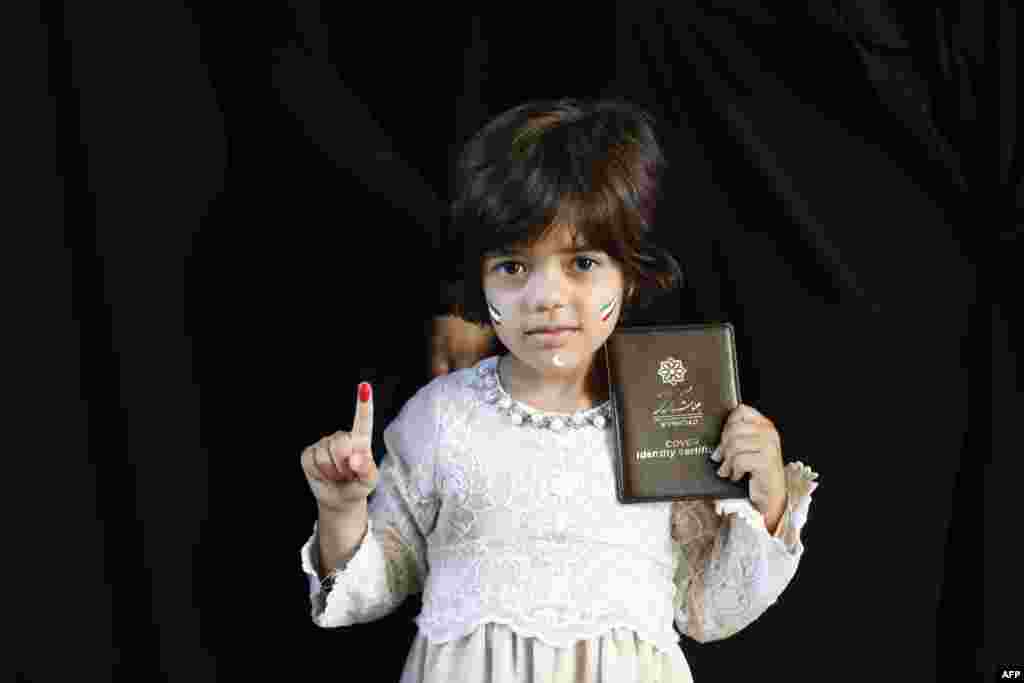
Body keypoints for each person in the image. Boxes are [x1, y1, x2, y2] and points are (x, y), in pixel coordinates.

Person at [298, 98, 820, 682]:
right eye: (514, 267)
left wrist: (769, 496)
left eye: (582, 263)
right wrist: (341, 511)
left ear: (631, 272)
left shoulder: (670, 417)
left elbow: (710, 608)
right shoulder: (440, 417)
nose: (547, 296)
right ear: (479, 275)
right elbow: (374, 585)